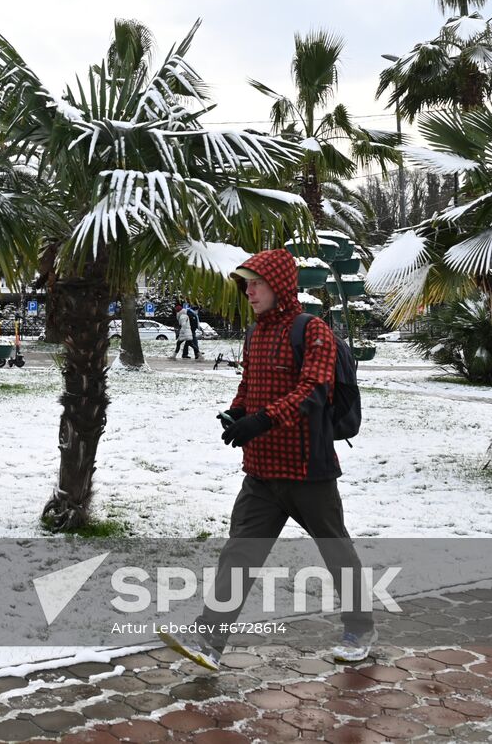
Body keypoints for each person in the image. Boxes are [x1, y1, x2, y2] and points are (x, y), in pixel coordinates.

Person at [161, 249, 375, 669]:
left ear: (279, 285)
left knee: (335, 552)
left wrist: (261, 420)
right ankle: (209, 642)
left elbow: (313, 391)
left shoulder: (312, 331)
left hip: (307, 469)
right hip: (261, 472)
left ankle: (360, 627)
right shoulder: (255, 333)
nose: (249, 292)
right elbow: (250, 383)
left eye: (256, 283)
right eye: (246, 284)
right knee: (239, 555)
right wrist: (238, 411)